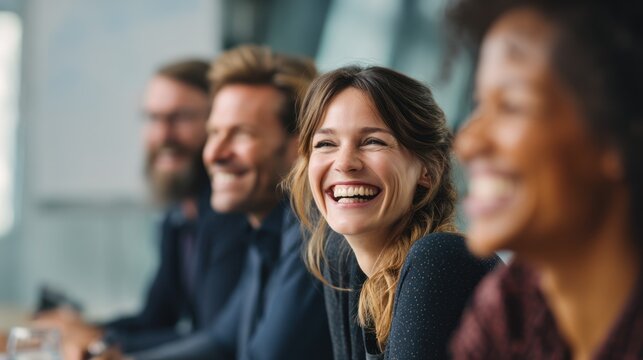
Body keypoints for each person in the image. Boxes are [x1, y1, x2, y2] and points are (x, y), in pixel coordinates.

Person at [448, 0, 643, 358]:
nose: (466, 142)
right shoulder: (510, 307)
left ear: (616, 135)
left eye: (511, 106)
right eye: (479, 104)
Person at [129, 45, 332, 360]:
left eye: (241, 134)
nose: (215, 153)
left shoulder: (314, 232)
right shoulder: (263, 230)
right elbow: (220, 342)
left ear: (299, 147)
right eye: (214, 133)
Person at [35, 60, 248, 358]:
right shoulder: (177, 218)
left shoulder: (234, 216)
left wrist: (100, 343)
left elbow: (214, 339)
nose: (163, 135)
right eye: (152, 118)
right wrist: (80, 329)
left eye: (181, 117)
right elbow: (156, 318)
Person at [286, 65, 501, 360]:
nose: (345, 163)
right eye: (325, 144)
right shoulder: (344, 261)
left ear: (428, 169)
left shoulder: (440, 260)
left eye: (373, 141)